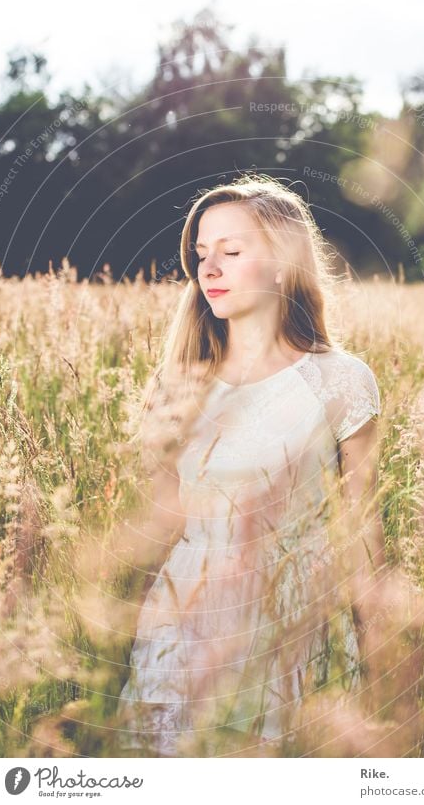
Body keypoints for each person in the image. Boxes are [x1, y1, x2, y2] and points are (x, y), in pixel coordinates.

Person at [116, 173, 386, 757]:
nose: (208, 269)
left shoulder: (339, 381)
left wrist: (382, 648)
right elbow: (161, 525)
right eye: (200, 254)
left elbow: (365, 531)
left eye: (231, 252)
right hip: (184, 613)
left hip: (292, 613)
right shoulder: (179, 381)